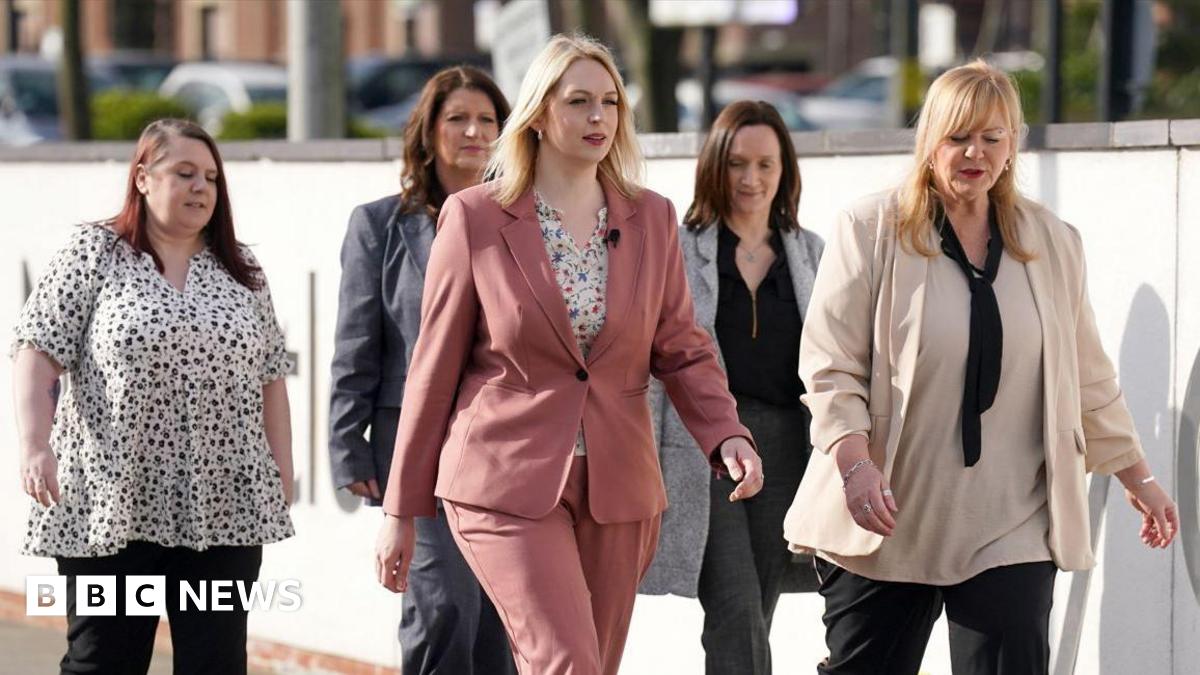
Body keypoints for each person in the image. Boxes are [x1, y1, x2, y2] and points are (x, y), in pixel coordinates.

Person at [373, 34, 763, 675]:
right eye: (579, 100)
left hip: (619, 481)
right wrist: (401, 511)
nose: (598, 117)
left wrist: (726, 435)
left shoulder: (652, 218)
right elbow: (433, 370)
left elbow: (683, 348)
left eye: (610, 102)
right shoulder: (475, 217)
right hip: (503, 479)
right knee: (566, 662)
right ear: (538, 113)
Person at [783, 61, 1180, 675]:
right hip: (889, 515)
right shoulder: (872, 227)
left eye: (993, 138)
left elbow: (1088, 375)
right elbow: (831, 367)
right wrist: (854, 464)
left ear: (1013, 144)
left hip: (1010, 520)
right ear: (930, 141)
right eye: (958, 136)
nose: (976, 153)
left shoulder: (1052, 242)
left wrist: (1140, 479)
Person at [12, 118, 294, 675]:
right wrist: (34, 444)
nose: (201, 188)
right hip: (114, 505)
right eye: (184, 173)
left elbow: (271, 377)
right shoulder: (95, 254)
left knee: (214, 665)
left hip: (225, 505)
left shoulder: (243, 271)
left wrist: (282, 469)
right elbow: (36, 351)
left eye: (211, 177)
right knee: (104, 663)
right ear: (142, 178)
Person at [328, 65, 515, 675]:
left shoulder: (524, 222)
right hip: (413, 445)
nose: (474, 132)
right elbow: (356, 343)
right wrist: (348, 450)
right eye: (457, 118)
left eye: (487, 120)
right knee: (441, 611)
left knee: (501, 621)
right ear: (428, 131)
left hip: (505, 441)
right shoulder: (379, 225)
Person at [639, 100, 822, 674]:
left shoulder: (810, 253)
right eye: (738, 163)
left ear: (784, 171)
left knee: (758, 605)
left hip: (787, 447)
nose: (752, 179)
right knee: (735, 601)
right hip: (706, 446)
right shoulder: (678, 245)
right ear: (714, 167)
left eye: (766, 165)